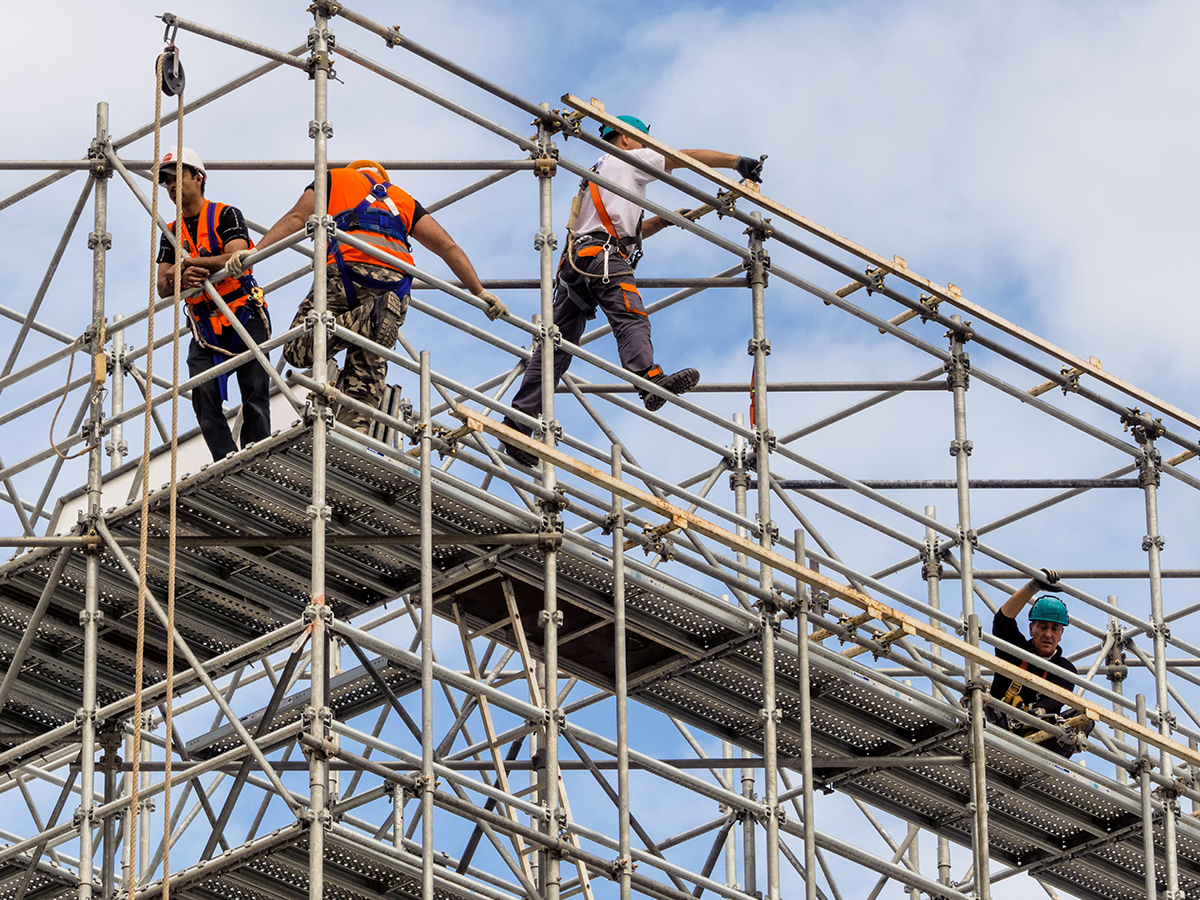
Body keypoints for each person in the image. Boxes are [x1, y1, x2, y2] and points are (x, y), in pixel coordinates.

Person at [498, 116, 766, 466]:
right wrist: (736, 162)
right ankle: (648, 379)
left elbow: (619, 230)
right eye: (641, 140)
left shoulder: (600, 170)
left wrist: (662, 220)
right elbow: (683, 157)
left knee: (555, 349)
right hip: (603, 258)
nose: (647, 147)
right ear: (624, 138)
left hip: (578, 264)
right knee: (630, 316)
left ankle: (518, 422)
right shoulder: (628, 159)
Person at [229, 160, 506, 434]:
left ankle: (371, 316)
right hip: (394, 289)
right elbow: (448, 247)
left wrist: (255, 253)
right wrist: (479, 293)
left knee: (296, 348)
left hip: (347, 274)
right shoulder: (404, 200)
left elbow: (297, 218)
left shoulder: (335, 179)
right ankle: (352, 440)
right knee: (366, 377)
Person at [155, 147, 271, 461]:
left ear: (198, 177)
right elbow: (163, 287)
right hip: (205, 324)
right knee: (204, 395)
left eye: (176, 178)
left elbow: (238, 256)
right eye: (165, 182)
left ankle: (256, 457)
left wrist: (194, 264)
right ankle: (225, 459)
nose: (171, 187)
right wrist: (181, 275)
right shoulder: (170, 232)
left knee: (255, 392)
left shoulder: (225, 214)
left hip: (243, 313)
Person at [987, 568, 1090, 757]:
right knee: (981, 700)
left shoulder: (1065, 670)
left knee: (1083, 718)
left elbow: (1055, 700)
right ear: (1031, 629)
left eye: (1055, 629)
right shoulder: (1014, 651)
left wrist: (1038, 712)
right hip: (997, 727)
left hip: (1038, 741)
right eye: (1042, 627)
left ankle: (1053, 761)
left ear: (1061, 634)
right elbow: (1002, 621)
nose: (1048, 634)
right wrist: (1032, 587)